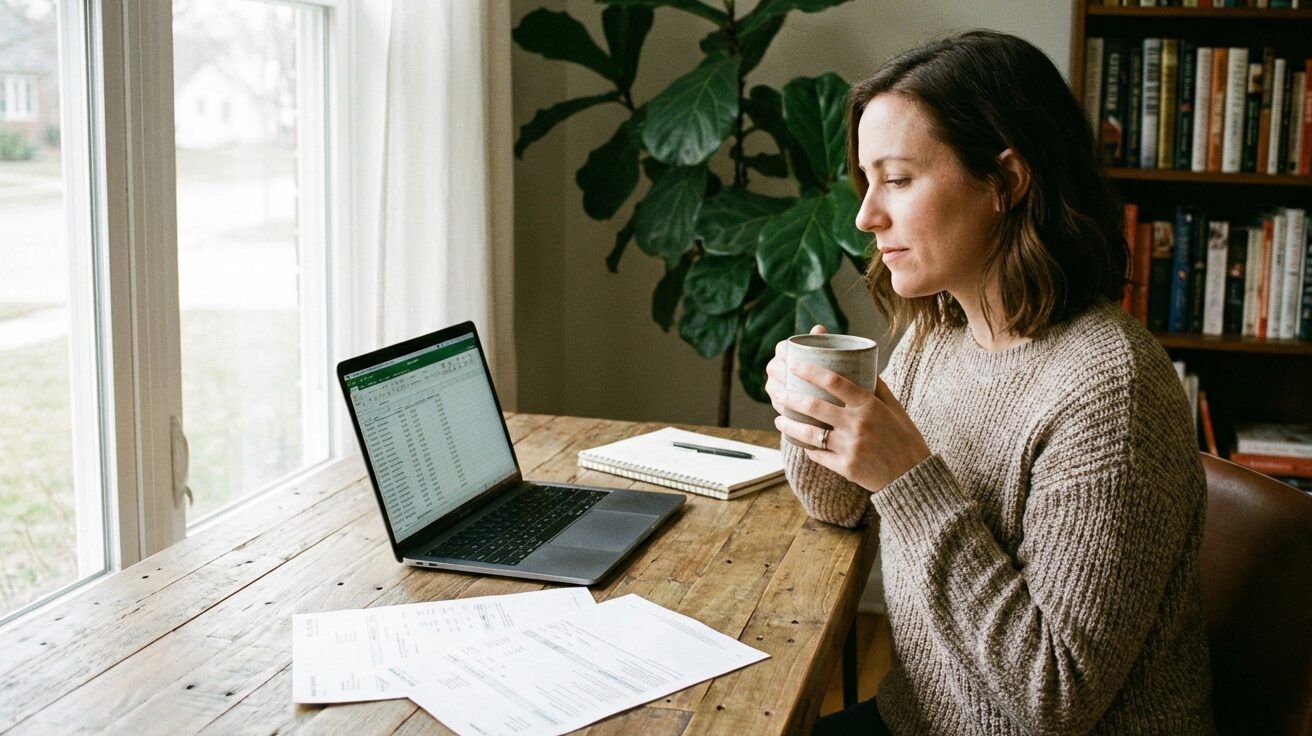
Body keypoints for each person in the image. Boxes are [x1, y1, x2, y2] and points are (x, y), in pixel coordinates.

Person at [766, 30, 1214, 735]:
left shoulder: (1109, 391)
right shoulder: (940, 334)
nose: (865, 215)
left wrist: (907, 479)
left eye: (898, 179)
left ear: (1005, 181)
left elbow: (1055, 696)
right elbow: (839, 506)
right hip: (919, 718)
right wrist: (813, 416)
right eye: (867, 181)